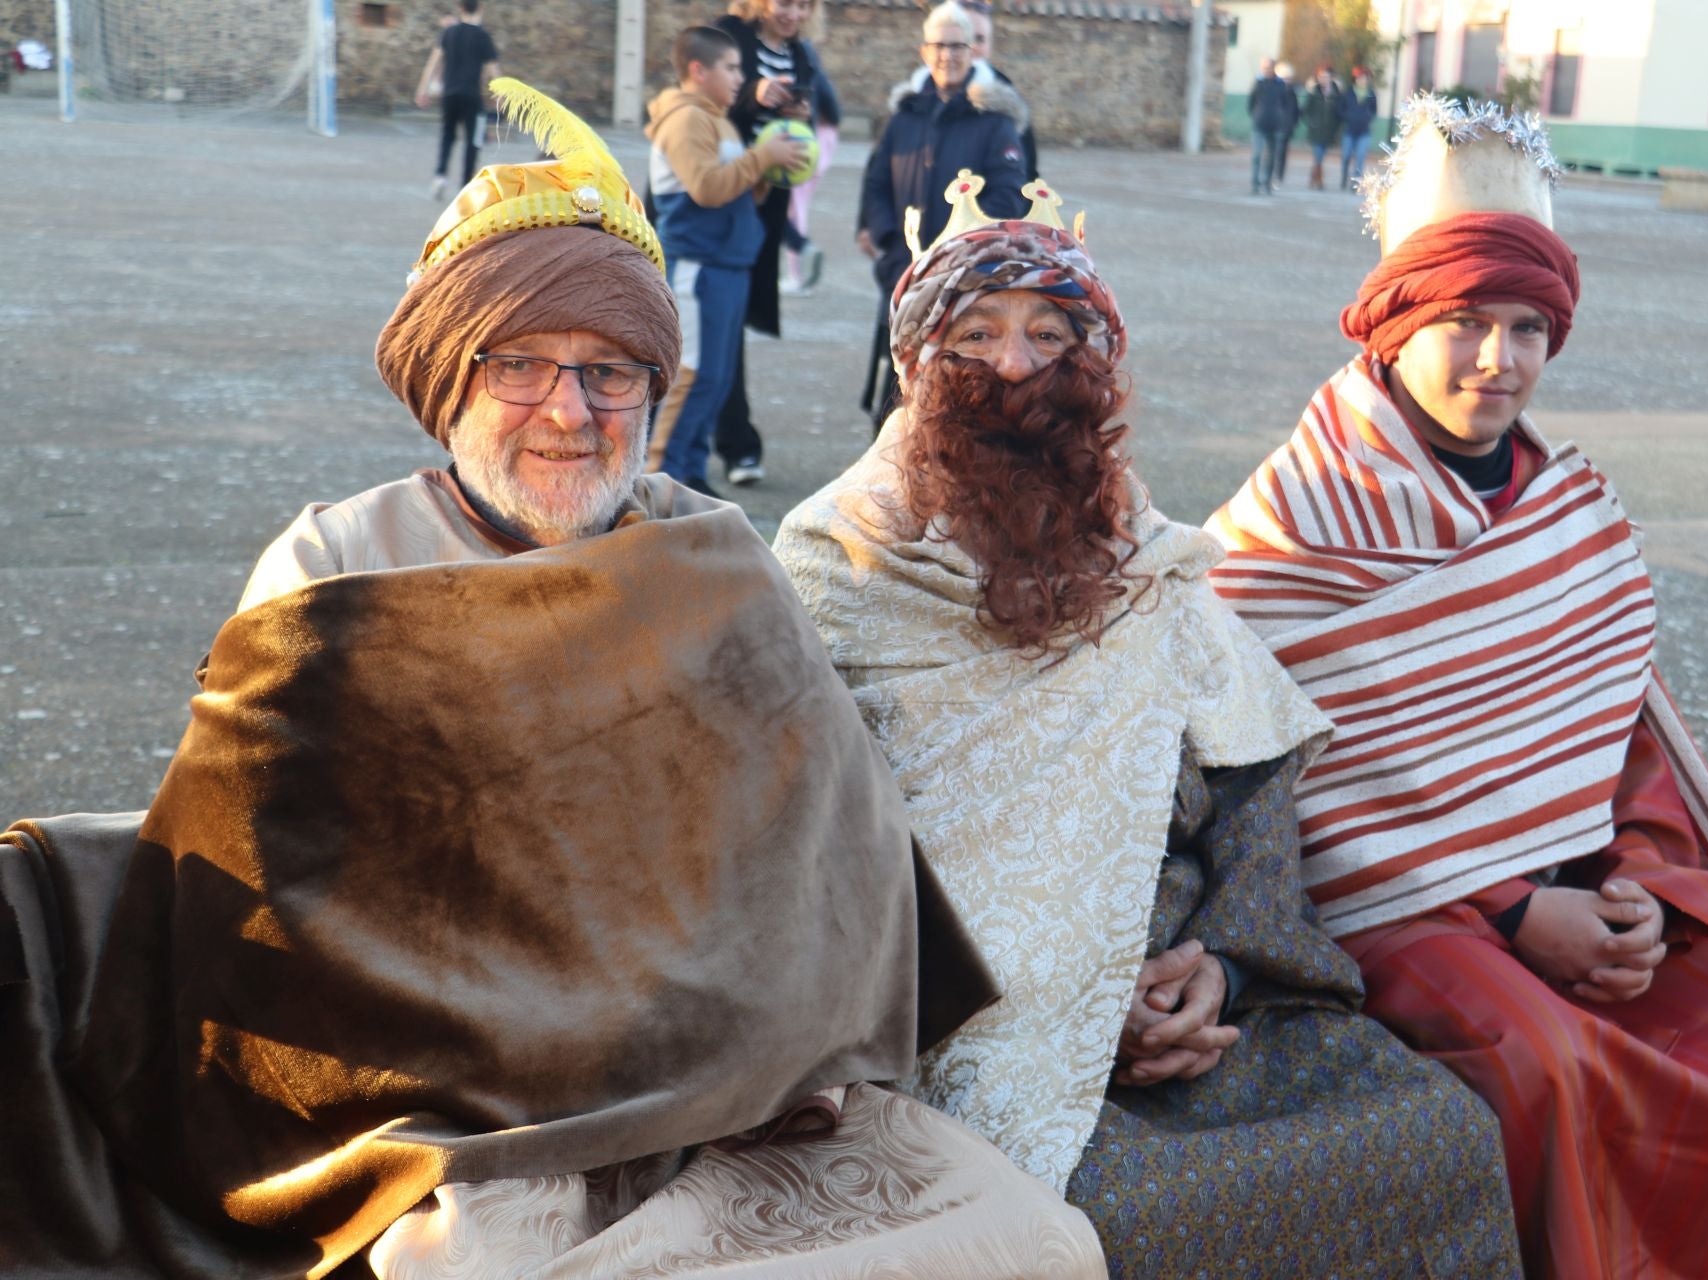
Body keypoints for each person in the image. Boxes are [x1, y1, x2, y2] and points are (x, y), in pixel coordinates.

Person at [0, 80, 1107, 1280]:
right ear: (447, 381)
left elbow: (821, 860)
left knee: (1030, 1238)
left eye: (612, 371)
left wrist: (731, 1031)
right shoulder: (331, 566)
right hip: (446, 1113)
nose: (569, 413)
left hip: (720, 1098)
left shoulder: (715, 557)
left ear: (654, 388)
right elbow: (265, 897)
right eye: (518, 363)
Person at [1205, 94, 1708, 1279]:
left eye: (1529, 326)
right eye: (1466, 322)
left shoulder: (1572, 513)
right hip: (1405, 915)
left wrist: (1644, 885)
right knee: (1546, 1060)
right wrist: (1512, 911)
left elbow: (1622, 745)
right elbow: (1280, 789)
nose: (1500, 360)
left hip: (1590, 879)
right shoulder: (1286, 527)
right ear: (1393, 324)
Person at [774, 173, 1523, 1279]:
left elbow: (1251, 780)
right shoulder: (836, 564)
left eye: (1050, 333)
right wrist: (1068, 997)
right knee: (1116, 1224)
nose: (1018, 367)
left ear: (1098, 364)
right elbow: (805, 852)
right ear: (916, 368)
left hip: (1187, 998)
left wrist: (1219, 964)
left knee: (1441, 1136)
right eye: (975, 335)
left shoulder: (1146, 555)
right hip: (965, 1029)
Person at [644, 26, 811, 494]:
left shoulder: (716, 118)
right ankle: (660, 479)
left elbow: (735, 189)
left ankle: (690, 474)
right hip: (698, 266)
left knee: (716, 381)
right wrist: (761, 157)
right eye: (733, 67)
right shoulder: (686, 120)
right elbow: (706, 187)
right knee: (693, 377)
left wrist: (773, 165)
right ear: (699, 70)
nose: (743, 76)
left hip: (728, 265)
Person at [857, 2, 1028, 432]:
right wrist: (883, 236)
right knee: (894, 386)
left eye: (957, 46)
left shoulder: (995, 121)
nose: (947, 55)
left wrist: (967, 253)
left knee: (956, 390)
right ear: (924, 51)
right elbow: (876, 183)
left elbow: (1009, 197)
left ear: (972, 52)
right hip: (904, 272)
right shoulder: (904, 117)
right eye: (939, 46)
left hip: (964, 277)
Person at [707, 0, 819, 488]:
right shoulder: (727, 34)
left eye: (804, 4)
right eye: (785, 3)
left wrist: (800, 114)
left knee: (730, 326)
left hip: (761, 207)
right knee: (714, 327)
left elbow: (797, 126)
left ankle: (728, 444)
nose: (793, 13)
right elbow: (700, 102)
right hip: (714, 201)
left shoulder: (801, 54)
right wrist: (753, 91)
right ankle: (734, 445)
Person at [908, 0, 1040, 180]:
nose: (972, 47)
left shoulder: (1008, 102)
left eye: (980, 39)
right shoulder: (911, 98)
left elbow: (1025, 175)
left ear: (990, 46)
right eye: (962, 39)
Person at [414, 0, 498, 198]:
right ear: (480, 8)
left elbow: (432, 63)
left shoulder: (448, 33)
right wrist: (500, 95)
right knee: (474, 140)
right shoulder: (483, 36)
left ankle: (440, 175)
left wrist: (422, 90)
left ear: (460, 9)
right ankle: (465, 186)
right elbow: (494, 70)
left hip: (450, 94)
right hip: (472, 97)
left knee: (447, 135)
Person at [781, 56, 840, 295]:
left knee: (795, 211)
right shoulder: (816, 73)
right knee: (796, 209)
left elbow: (832, 111)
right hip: (818, 146)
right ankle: (798, 265)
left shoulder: (805, 73)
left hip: (806, 147)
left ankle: (799, 270)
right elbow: (833, 112)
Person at [1248, 56, 1298, 194]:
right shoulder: (1258, 83)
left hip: (1275, 126)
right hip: (1259, 124)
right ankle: (1255, 184)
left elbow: (1286, 104)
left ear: (1273, 68)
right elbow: (1251, 102)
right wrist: (1256, 115)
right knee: (1256, 155)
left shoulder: (1280, 85)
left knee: (1271, 157)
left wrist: (1281, 119)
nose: (1266, 70)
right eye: (1264, 68)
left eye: (1268, 68)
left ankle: (1267, 183)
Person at [1300, 63, 1340, 191]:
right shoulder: (1314, 92)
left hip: (1329, 131)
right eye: (1321, 76)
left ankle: (1313, 176)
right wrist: (1311, 122)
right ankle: (1319, 180)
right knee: (1319, 155)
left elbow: (1339, 112)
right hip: (1316, 130)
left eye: (1326, 76)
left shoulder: (1336, 93)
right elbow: (1305, 110)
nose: (1324, 79)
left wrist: (1336, 126)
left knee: (1321, 156)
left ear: (1331, 77)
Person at [1338, 66, 1378, 190]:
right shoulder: (1348, 93)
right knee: (1346, 155)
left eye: (1365, 78)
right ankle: (1344, 176)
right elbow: (1340, 109)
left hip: (1364, 131)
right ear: (1355, 79)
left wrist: (1368, 117)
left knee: (1360, 157)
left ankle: (1356, 183)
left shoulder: (1371, 94)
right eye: (1360, 78)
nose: (1363, 80)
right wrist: (1347, 117)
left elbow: (1374, 110)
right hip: (1349, 130)